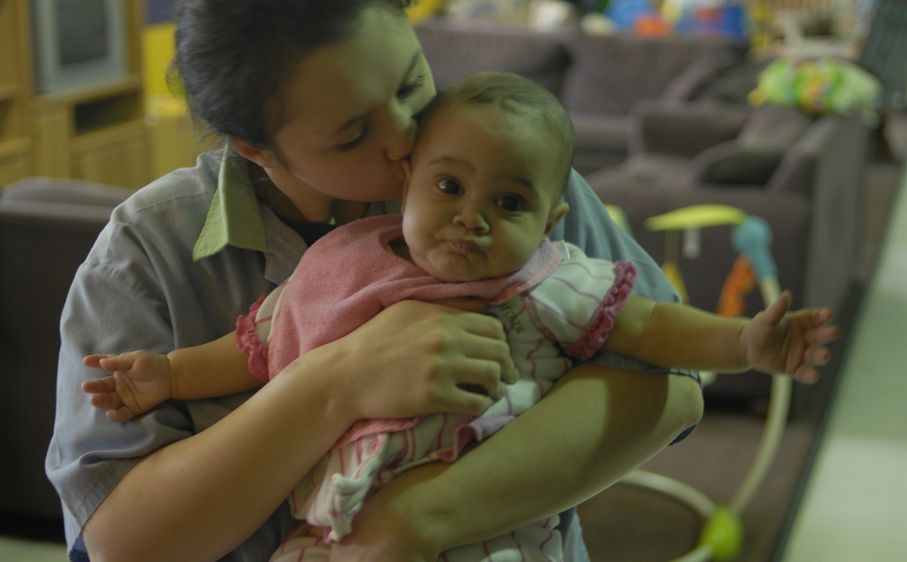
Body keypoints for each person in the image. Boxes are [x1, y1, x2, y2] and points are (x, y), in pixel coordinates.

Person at [80, 72, 837, 562]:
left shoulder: (546, 271)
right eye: (447, 187)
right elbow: (259, 341)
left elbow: (654, 346)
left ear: (549, 218)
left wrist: (742, 341)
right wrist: (170, 372)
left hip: (494, 537)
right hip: (329, 533)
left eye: (409, 85)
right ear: (255, 146)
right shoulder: (343, 263)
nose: (472, 218)